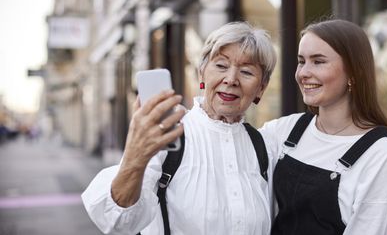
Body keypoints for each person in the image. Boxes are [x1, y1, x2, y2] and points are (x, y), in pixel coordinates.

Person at [81, 21, 277, 235]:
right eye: (221, 66)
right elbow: (118, 222)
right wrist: (135, 156)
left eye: (246, 72)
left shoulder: (265, 148)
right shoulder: (168, 136)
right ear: (202, 73)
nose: (231, 79)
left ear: (261, 87)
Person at [260, 19, 387, 235]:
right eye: (302, 61)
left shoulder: (379, 153)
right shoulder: (285, 131)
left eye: (318, 61)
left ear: (353, 73)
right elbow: (231, 152)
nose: (303, 73)